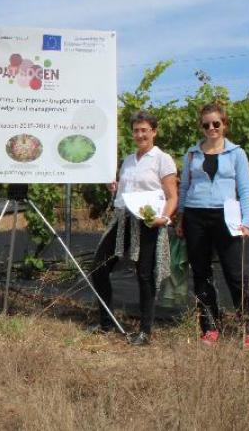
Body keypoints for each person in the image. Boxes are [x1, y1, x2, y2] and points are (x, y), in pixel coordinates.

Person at [177, 102, 249, 350]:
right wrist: (181, 217)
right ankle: (210, 327)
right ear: (201, 127)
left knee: (235, 273)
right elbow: (184, 188)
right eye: (206, 124)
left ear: (224, 124)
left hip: (227, 217)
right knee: (201, 274)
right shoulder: (192, 154)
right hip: (195, 215)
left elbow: (245, 190)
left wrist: (248, 221)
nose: (211, 128)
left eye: (216, 123)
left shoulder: (237, 153)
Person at [89, 111, 177, 346]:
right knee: (98, 268)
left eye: (144, 130)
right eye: (136, 130)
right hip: (124, 219)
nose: (140, 134)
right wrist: (116, 186)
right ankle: (106, 323)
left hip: (148, 222)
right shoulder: (128, 160)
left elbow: (172, 196)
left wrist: (164, 219)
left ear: (154, 132)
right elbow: (125, 190)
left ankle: (145, 331)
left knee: (145, 275)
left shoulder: (162, 159)